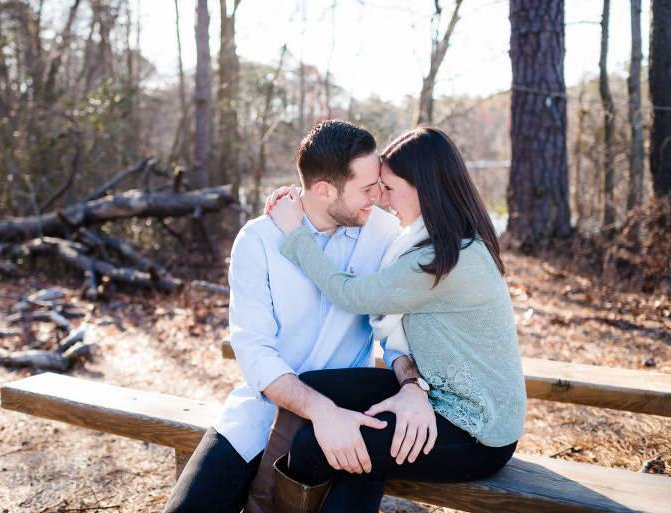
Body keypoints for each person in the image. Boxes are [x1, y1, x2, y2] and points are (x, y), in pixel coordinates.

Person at [164, 120, 427, 513]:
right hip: (260, 413)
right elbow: (254, 351)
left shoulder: (386, 234)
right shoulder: (259, 240)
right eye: (367, 188)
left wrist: (411, 387)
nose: (380, 197)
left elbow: (395, 333)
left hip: (349, 415)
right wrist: (320, 410)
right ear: (324, 190)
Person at [267, 126, 527, 512]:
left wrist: (295, 233)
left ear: (424, 186)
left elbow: (349, 295)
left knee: (314, 445)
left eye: (388, 187)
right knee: (313, 391)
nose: (382, 199)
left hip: (476, 431)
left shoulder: (444, 259)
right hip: (439, 393)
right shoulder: (439, 239)